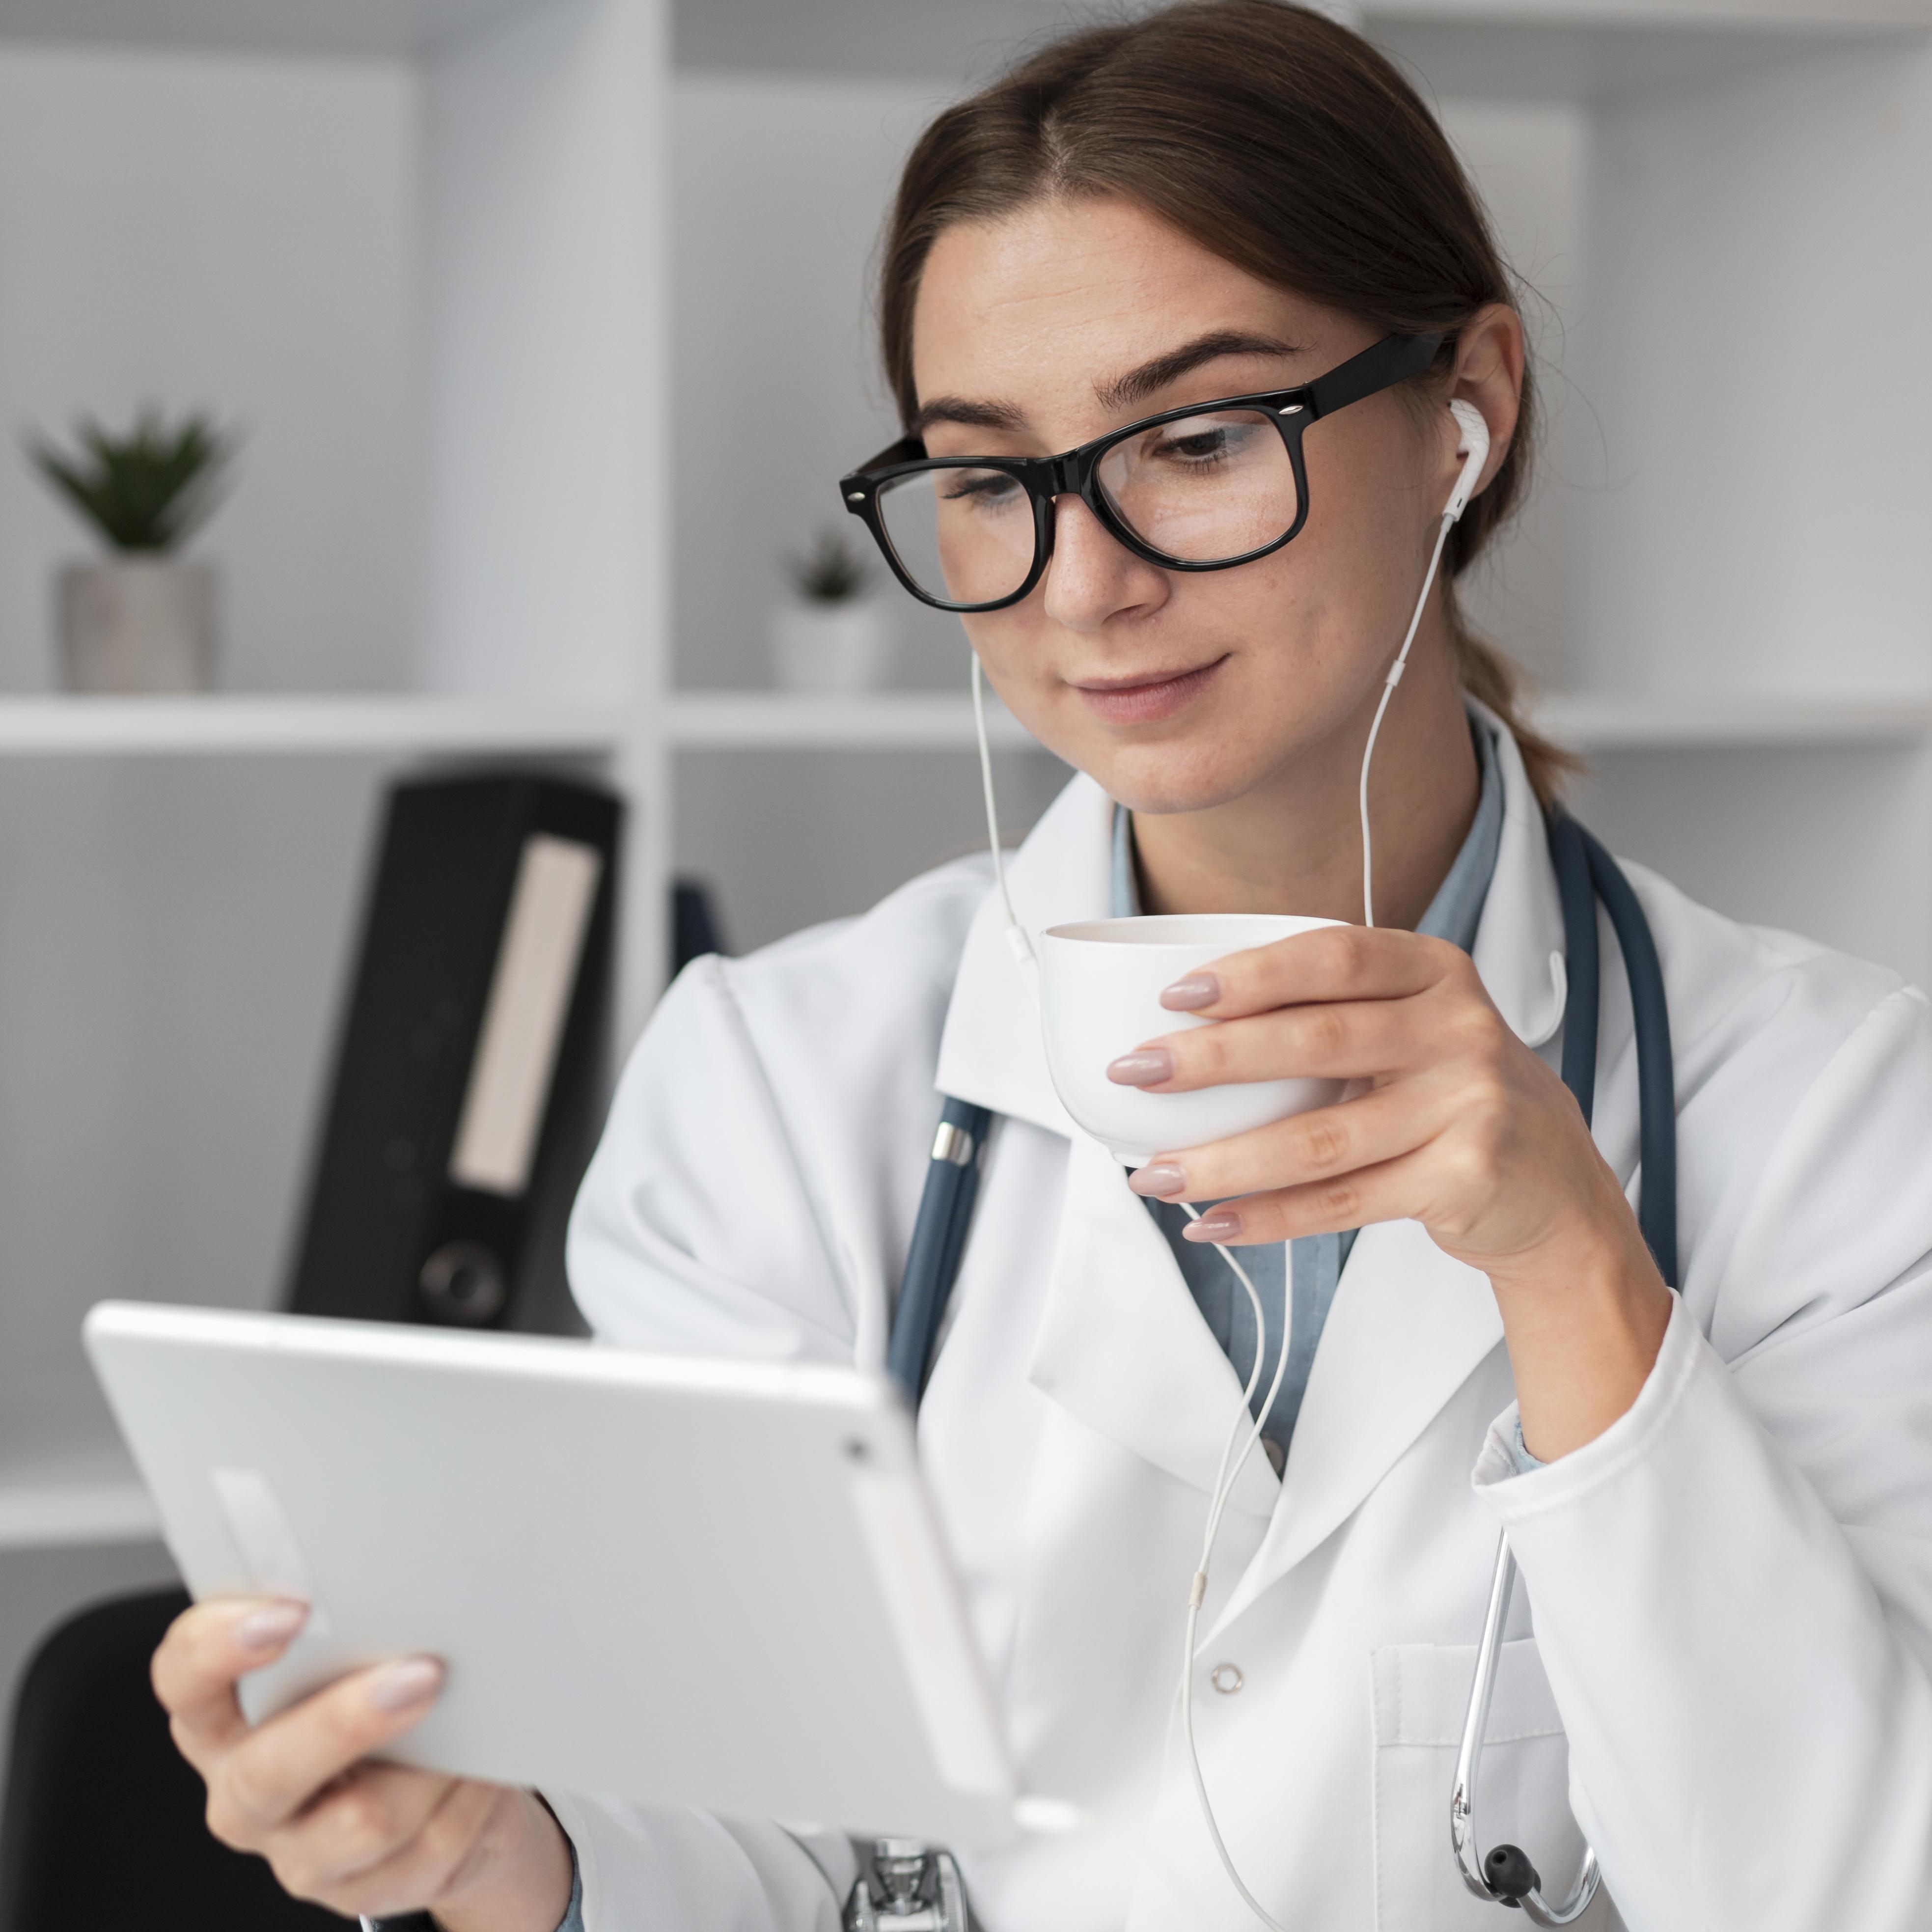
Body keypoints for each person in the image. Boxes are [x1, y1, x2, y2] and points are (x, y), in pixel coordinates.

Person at [150, 4, 1932, 1928]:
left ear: (1468, 406)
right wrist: (518, 1858)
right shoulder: (780, 1081)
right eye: (992, 479)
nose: (1086, 586)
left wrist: (1579, 1268)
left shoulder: (1830, 1114)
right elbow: (740, 1839)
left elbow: (1836, 1887)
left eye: (1193, 439)